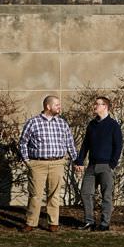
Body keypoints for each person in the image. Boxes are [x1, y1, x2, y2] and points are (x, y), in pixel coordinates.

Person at [18, 95, 80, 233]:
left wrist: (77, 160)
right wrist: (28, 161)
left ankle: (53, 223)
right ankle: (31, 223)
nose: (59, 107)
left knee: (54, 194)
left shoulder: (62, 123)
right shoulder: (33, 122)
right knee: (35, 195)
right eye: (57, 104)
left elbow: (70, 143)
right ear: (48, 106)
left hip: (57, 163)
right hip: (37, 164)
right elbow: (23, 142)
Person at [75, 95, 123, 231]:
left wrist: (112, 164)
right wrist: (80, 160)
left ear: (105, 107)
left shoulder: (113, 125)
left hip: (106, 166)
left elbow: (118, 146)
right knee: (85, 193)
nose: (94, 106)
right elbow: (85, 145)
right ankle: (89, 222)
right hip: (91, 166)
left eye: (97, 104)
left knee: (106, 196)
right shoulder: (92, 125)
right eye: (95, 104)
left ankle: (104, 223)